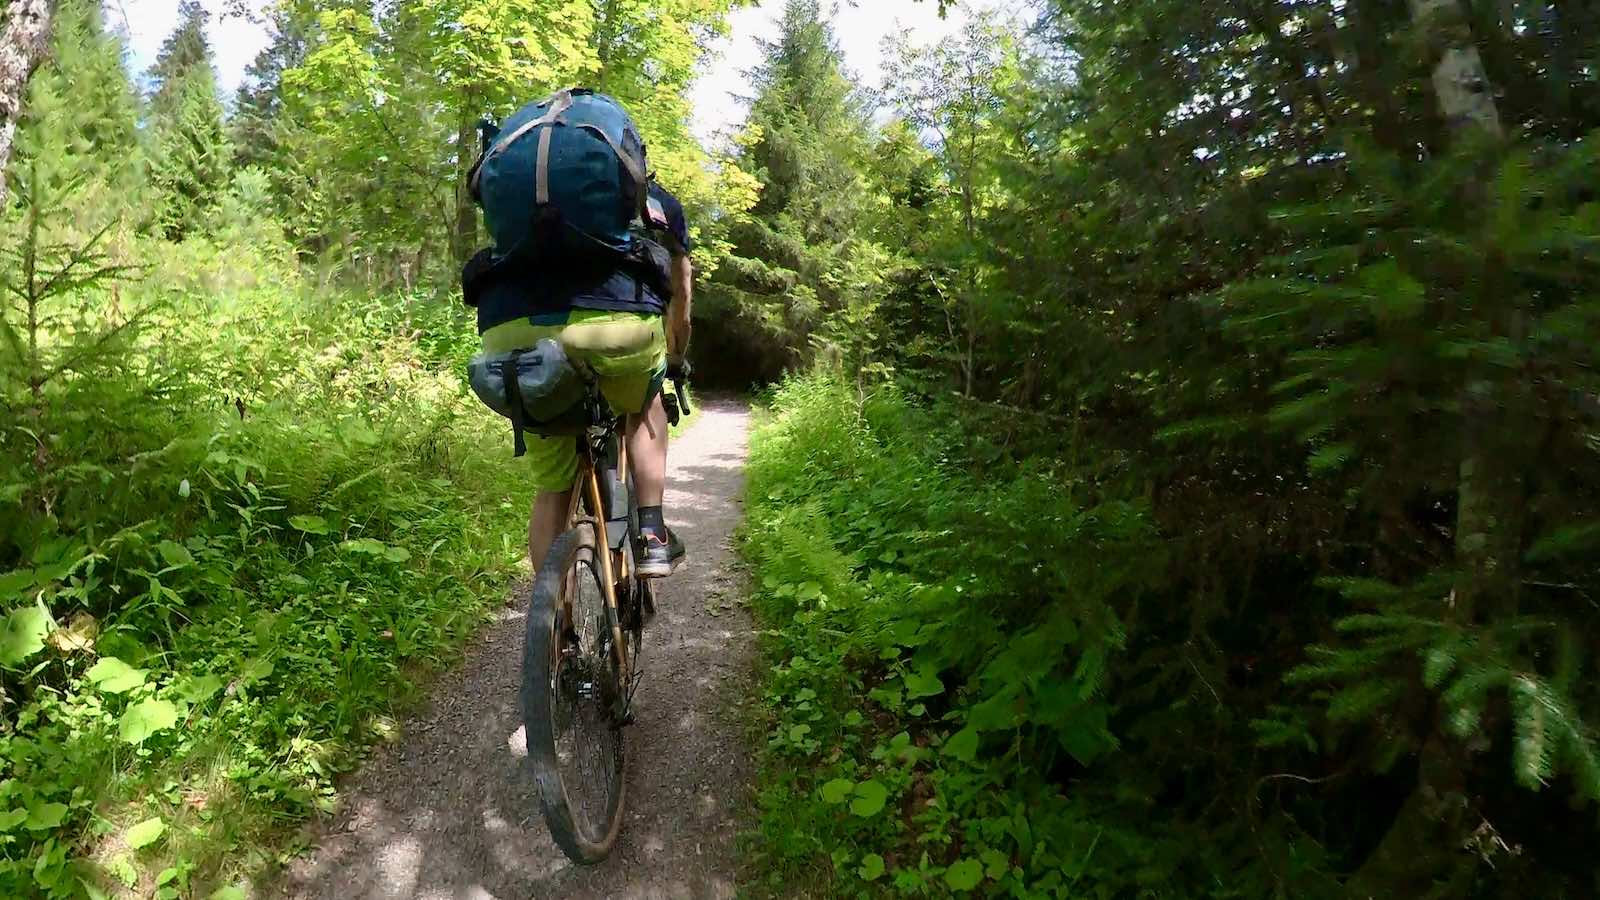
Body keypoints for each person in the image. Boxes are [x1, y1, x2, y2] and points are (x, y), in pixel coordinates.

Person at [472, 171, 693, 579]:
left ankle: (555, 621)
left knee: (553, 490)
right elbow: (680, 283)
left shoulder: (524, 195)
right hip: (615, 324)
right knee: (644, 401)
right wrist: (675, 354)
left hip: (511, 330)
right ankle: (652, 536)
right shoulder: (653, 199)